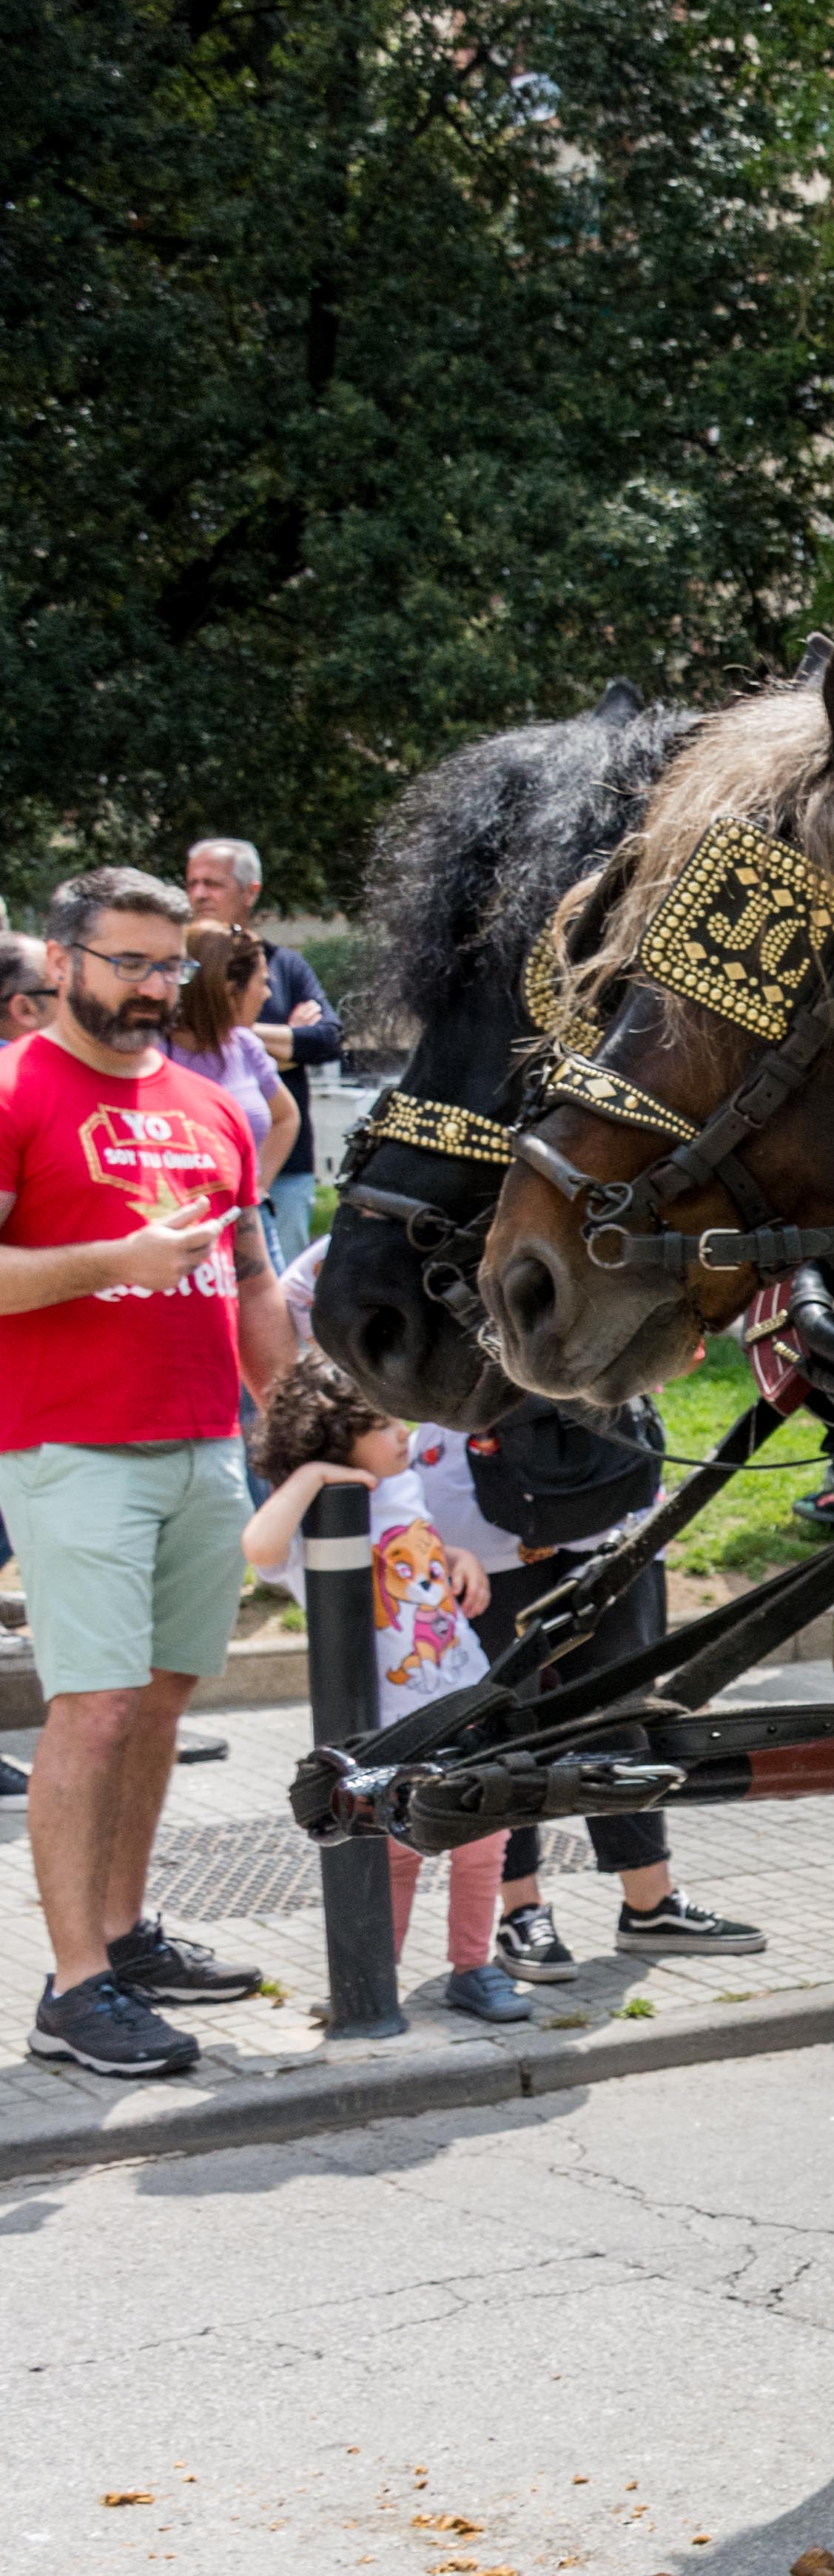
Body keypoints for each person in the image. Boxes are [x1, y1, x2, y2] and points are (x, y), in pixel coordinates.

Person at [1, 867, 293, 2077]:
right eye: (126, 964)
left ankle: (121, 1938)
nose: (151, 989)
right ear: (63, 962)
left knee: (166, 1701)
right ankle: (73, 1995)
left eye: (168, 966)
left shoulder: (210, 1106)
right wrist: (106, 1258)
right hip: (71, 1448)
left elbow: (257, 1279)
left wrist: (302, 1416)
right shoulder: (16, 1091)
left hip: (203, 1449)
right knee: (97, 1706)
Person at [406, 1409, 766, 1977]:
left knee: (624, 1700)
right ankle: (520, 1908)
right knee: (503, 1717)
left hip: (609, 1479)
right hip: (481, 1495)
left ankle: (650, 1900)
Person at [238, 1360, 526, 2022]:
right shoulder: (322, 1511)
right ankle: (375, 1977)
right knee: (394, 1856)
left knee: (483, 1842)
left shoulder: (403, 1485)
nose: (405, 1434)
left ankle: (472, 1968)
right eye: (383, 1425)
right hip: (393, 1723)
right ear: (333, 1440)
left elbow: (419, 1549)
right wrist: (311, 1479)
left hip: (463, 1696)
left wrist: (458, 1558)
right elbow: (258, 1547)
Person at [181, 838, 339, 1268]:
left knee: (279, 1282)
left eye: (212, 883)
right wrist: (286, 1039)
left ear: (251, 892)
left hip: (282, 1173)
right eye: (192, 882)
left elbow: (326, 1040)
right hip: (187, 1195)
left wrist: (238, 1031)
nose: (198, 894)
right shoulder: (175, 973)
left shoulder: (282, 964)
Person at [163, 923, 301, 1192]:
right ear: (228, 988)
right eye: (262, 982)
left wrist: (257, 1189)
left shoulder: (245, 1046)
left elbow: (285, 1118)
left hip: (247, 1223)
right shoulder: (152, 1055)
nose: (267, 994)